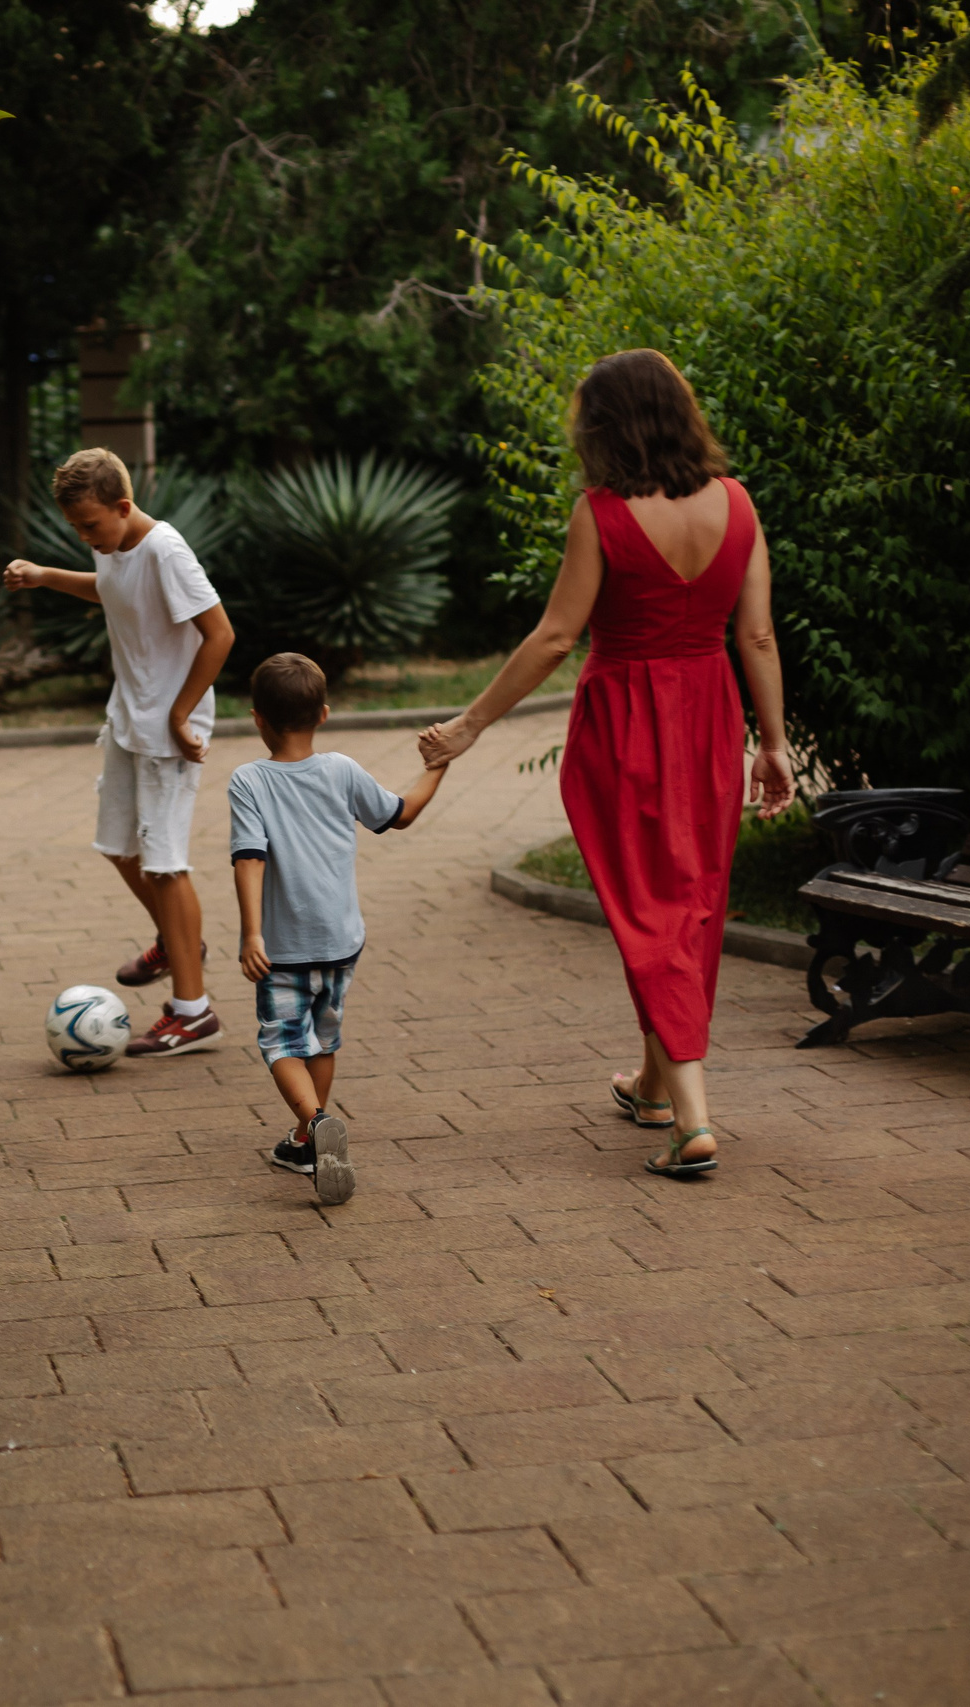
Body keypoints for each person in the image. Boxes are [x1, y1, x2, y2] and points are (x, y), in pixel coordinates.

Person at [418, 349, 791, 1178]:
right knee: (688, 899)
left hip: (625, 721)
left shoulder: (603, 512)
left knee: (648, 905)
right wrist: (772, 741)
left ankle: (692, 1117)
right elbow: (756, 634)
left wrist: (472, 725)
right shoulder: (737, 503)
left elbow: (557, 635)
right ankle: (654, 1085)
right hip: (708, 716)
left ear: (607, 426)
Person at [5, 448, 236, 1058]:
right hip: (127, 716)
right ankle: (177, 938)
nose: (85, 538)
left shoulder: (165, 550)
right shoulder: (112, 545)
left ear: (124, 507)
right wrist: (46, 575)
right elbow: (111, 591)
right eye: (76, 529)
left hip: (169, 728)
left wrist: (182, 713)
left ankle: (194, 1011)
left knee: (164, 862)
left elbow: (220, 634)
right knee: (119, 847)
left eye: (90, 527)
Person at [233, 653, 448, 1203]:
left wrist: (252, 933)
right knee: (323, 1037)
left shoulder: (249, 781)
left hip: (283, 945)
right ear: (323, 714)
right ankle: (308, 1140)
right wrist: (437, 766)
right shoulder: (342, 769)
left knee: (281, 1042)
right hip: (341, 940)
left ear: (257, 717)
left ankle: (316, 1121)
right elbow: (399, 814)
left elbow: (249, 858)